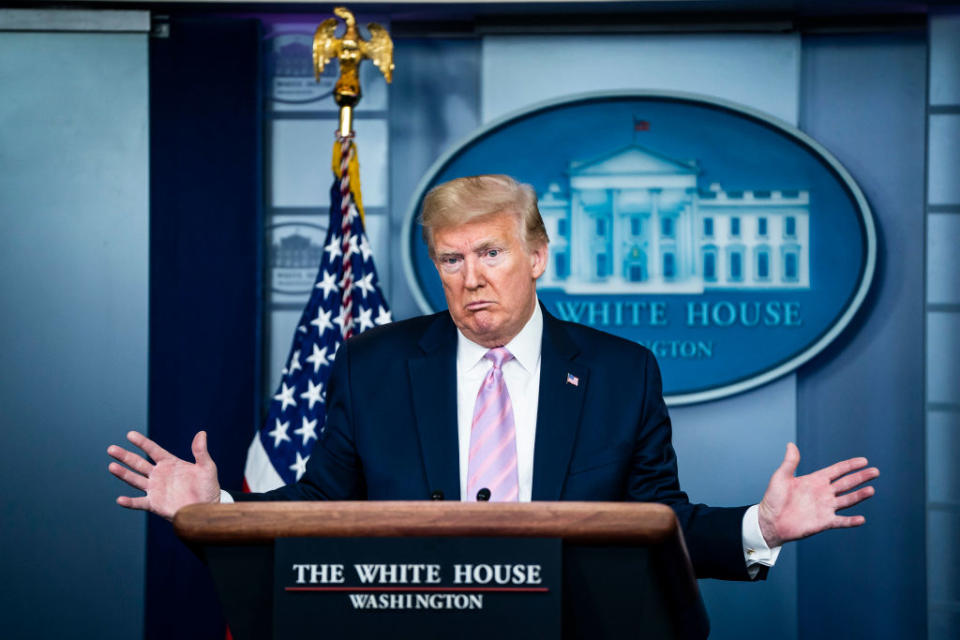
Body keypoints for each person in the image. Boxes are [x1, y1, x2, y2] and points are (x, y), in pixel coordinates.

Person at [108, 174, 878, 580]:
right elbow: (319, 508)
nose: (471, 277)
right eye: (451, 259)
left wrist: (762, 526)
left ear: (536, 256)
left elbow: (653, 523)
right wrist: (217, 509)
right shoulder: (374, 366)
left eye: (492, 253)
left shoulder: (618, 373)